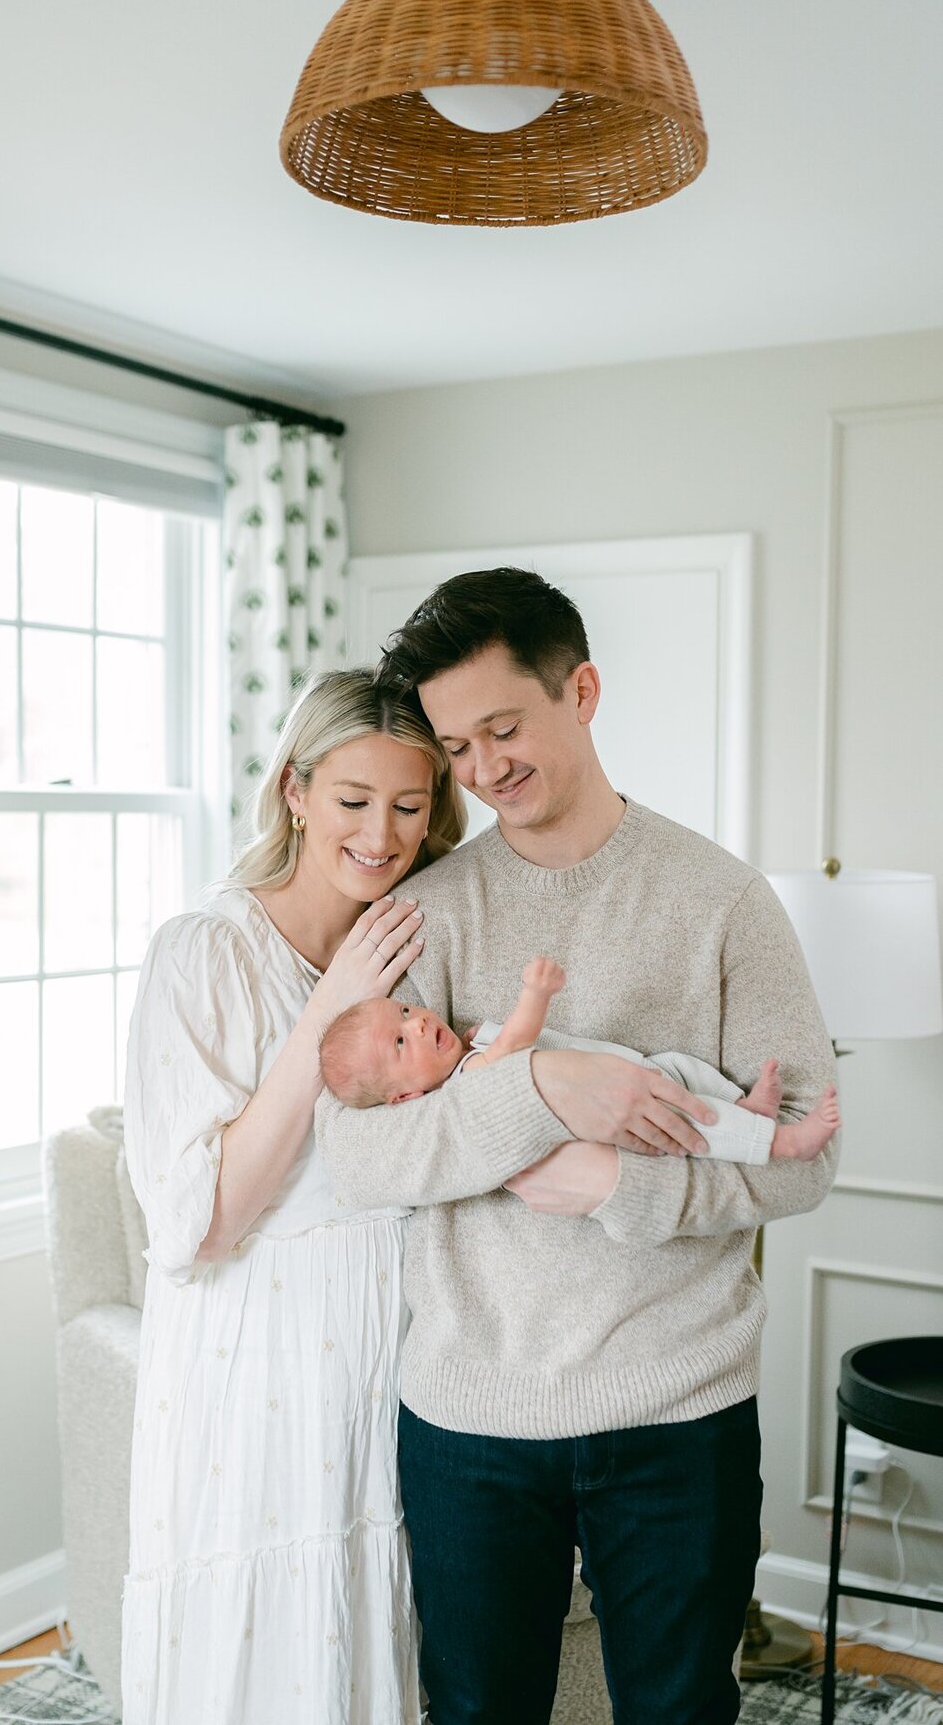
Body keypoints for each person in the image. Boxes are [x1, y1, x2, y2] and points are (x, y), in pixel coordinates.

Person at [315, 567, 839, 1725]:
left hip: (678, 1408)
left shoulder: (723, 902)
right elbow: (360, 1162)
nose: (484, 769)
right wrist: (549, 1086)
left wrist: (619, 1182)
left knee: (678, 1710)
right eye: (456, 746)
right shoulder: (433, 910)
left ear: (583, 690)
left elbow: (801, 1161)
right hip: (469, 1414)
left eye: (504, 728)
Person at [119, 668, 467, 1725]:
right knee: (263, 1643)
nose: (382, 833)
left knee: (368, 1635)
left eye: (410, 806)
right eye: (354, 801)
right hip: (255, 1360)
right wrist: (326, 1017)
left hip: (389, 1352)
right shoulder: (205, 951)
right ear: (295, 790)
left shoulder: (421, 938)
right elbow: (203, 1222)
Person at [319, 955, 841, 1167]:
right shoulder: (470, 1083)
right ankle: (783, 1142)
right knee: (696, 1125)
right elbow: (517, 1044)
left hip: (643, 1068)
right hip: (629, 1108)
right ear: (406, 1097)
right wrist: (534, 993)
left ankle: (744, 1106)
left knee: (688, 1072)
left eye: (406, 1010)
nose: (416, 1024)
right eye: (400, 1044)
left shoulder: (469, 1052)